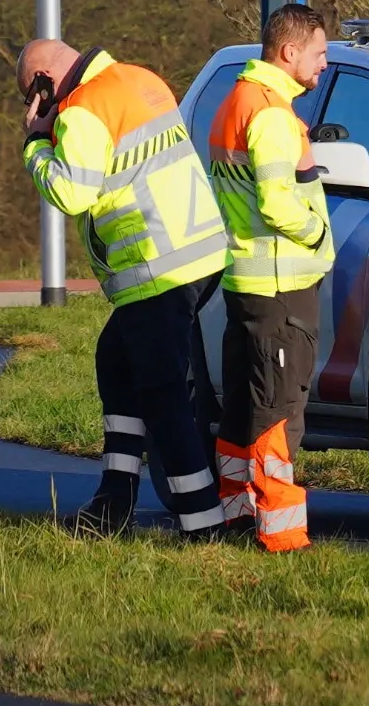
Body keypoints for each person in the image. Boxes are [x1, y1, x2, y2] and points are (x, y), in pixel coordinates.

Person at [20, 38, 233, 539]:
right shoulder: (140, 78)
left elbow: (72, 193)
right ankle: (114, 499)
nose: (33, 106)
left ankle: (202, 524)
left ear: (45, 85)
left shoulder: (82, 111)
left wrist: (35, 143)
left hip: (155, 267)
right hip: (198, 253)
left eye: (30, 95)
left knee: (163, 395)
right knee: (114, 359)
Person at [206, 2, 338, 553]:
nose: (324, 64)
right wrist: (314, 236)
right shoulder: (273, 116)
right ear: (289, 52)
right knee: (279, 411)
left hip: (246, 281)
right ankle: (281, 535)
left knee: (242, 406)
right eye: (319, 53)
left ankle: (236, 516)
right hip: (281, 284)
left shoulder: (235, 100)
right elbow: (280, 205)